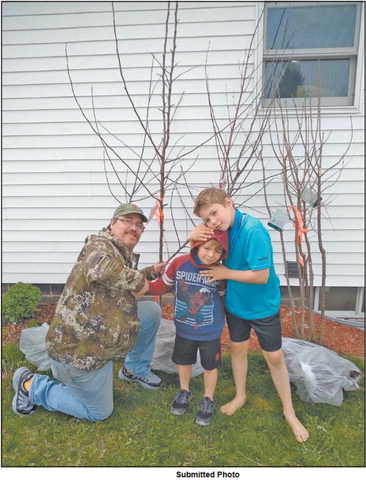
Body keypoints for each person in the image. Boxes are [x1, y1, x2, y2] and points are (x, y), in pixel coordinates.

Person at [12, 204, 166, 422]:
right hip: (78, 352)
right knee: (98, 412)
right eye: (127, 221)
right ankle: (31, 386)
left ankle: (134, 370)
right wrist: (146, 284)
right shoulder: (99, 245)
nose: (134, 228)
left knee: (150, 311)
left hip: (99, 336)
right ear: (112, 224)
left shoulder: (119, 251)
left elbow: (114, 278)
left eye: (139, 224)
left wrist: (150, 272)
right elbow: (102, 268)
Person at [190, 187, 309, 442]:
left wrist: (225, 274)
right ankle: (241, 394)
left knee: (274, 357)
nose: (212, 222)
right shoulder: (219, 232)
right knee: (238, 349)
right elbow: (203, 256)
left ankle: (289, 411)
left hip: (262, 305)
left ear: (228, 203)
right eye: (206, 220)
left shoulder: (254, 231)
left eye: (214, 213)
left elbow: (261, 275)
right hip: (236, 304)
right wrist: (194, 237)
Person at [138, 230, 229, 426]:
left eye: (217, 251)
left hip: (210, 331)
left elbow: (224, 298)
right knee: (184, 361)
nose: (211, 255)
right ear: (197, 246)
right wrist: (144, 287)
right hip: (184, 329)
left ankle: (208, 399)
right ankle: (184, 390)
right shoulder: (179, 264)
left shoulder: (221, 272)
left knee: (209, 366)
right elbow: (163, 286)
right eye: (207, 248)